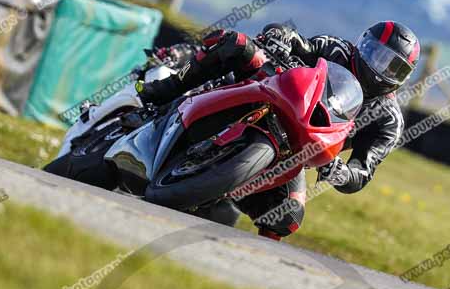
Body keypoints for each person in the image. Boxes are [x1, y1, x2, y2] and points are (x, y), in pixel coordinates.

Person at [136, 21, 421, 241]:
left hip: (293, 151)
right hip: (267, 91)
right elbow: (300, 42)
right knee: (237, 44)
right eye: (375, 54)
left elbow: (363, 171)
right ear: (363, 44)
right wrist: (281, 36)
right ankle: (164, 91)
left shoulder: (388, 120)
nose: (378, 67)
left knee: (287, 217)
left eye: (392, 67)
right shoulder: (335, 49)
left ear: (403, 77)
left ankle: (247, 265)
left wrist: (342, 173)